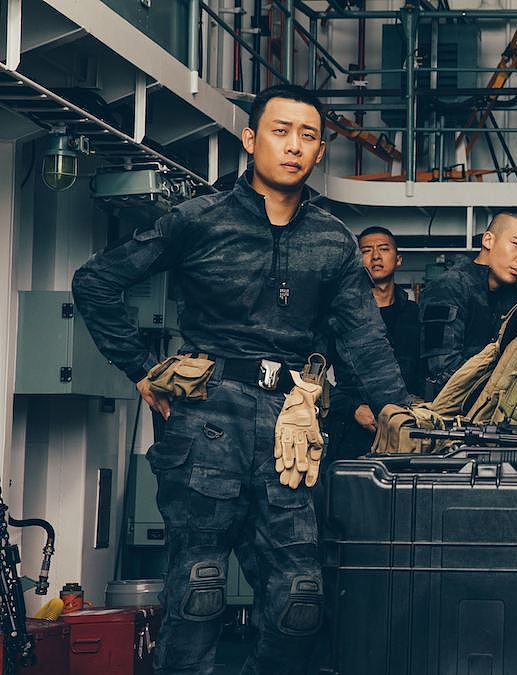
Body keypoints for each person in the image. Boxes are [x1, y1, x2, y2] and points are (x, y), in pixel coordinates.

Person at [71, 84, 410, 675]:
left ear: (320, 151)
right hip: (207, 417)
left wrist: (396, 408)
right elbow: (96, 282)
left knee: (301, 602)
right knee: (199, 591)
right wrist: (141, 370)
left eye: (308, 136)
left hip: (290, 424)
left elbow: (364, 338)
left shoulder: (333, 240)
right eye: (281, 131)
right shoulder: (198, 219)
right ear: (251, 140)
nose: (294, 146)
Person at [419, 208, 517, 398]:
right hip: (451, 408)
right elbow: (442, 369)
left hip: (499, 408)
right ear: (488, 240)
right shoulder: (447, 287)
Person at [327, 226, 421, 457]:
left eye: (384, 249)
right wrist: (352, 408)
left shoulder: (415, 315)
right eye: (366, 250)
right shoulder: (340, 316)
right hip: (352, 431)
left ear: (398, 259)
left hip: (406, 429)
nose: (376, 256)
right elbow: (311, 378)